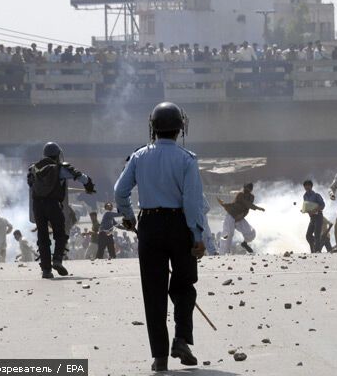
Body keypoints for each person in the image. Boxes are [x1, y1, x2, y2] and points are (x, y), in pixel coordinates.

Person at [115, 102, 205, 372]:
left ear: (152, 127)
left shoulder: (139, 157)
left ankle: (160, 358)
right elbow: (192, 203)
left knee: (153, 292)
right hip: (179, 226)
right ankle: (181, 339)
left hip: (150, 225)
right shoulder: (187, 159)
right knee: (184, 284)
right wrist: (197, 235)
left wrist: (130, 217)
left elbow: (121, 192)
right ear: (180, 128)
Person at [27, 142, 95, 278]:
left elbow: (30, 186)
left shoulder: (33, 169)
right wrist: (89, 186)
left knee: (43, 237)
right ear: (58, 155)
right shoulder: (59, 168)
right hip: (53, 204)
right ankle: (57, 260)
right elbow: (81, 177)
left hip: (37, 206)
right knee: (60, 233)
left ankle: (46, 270)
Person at [217, 183, 265, 255]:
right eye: (245, 188)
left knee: (250, 232)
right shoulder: (240, 195)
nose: (246, 190)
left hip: (240, 218)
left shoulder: (251, 197)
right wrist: (257, 208)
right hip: (231, 216)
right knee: (228, 234)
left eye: (248, 189)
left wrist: (242, 215)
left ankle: (244, 243)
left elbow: (247, 205)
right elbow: (246, 203)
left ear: (251, 189)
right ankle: (222, 254)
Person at [301, 180, 328, 253]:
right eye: (305, 186)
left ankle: (317, 250)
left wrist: (315, 210)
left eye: (308, 185)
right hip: (312, 218)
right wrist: (305, 211)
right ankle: (315, 247)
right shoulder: (305, 196)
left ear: (311, 186)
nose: (306, 187)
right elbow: (306, 206)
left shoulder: (316, 195)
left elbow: (322, 205)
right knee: (308, 235)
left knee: (317, 234)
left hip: (318, 216)